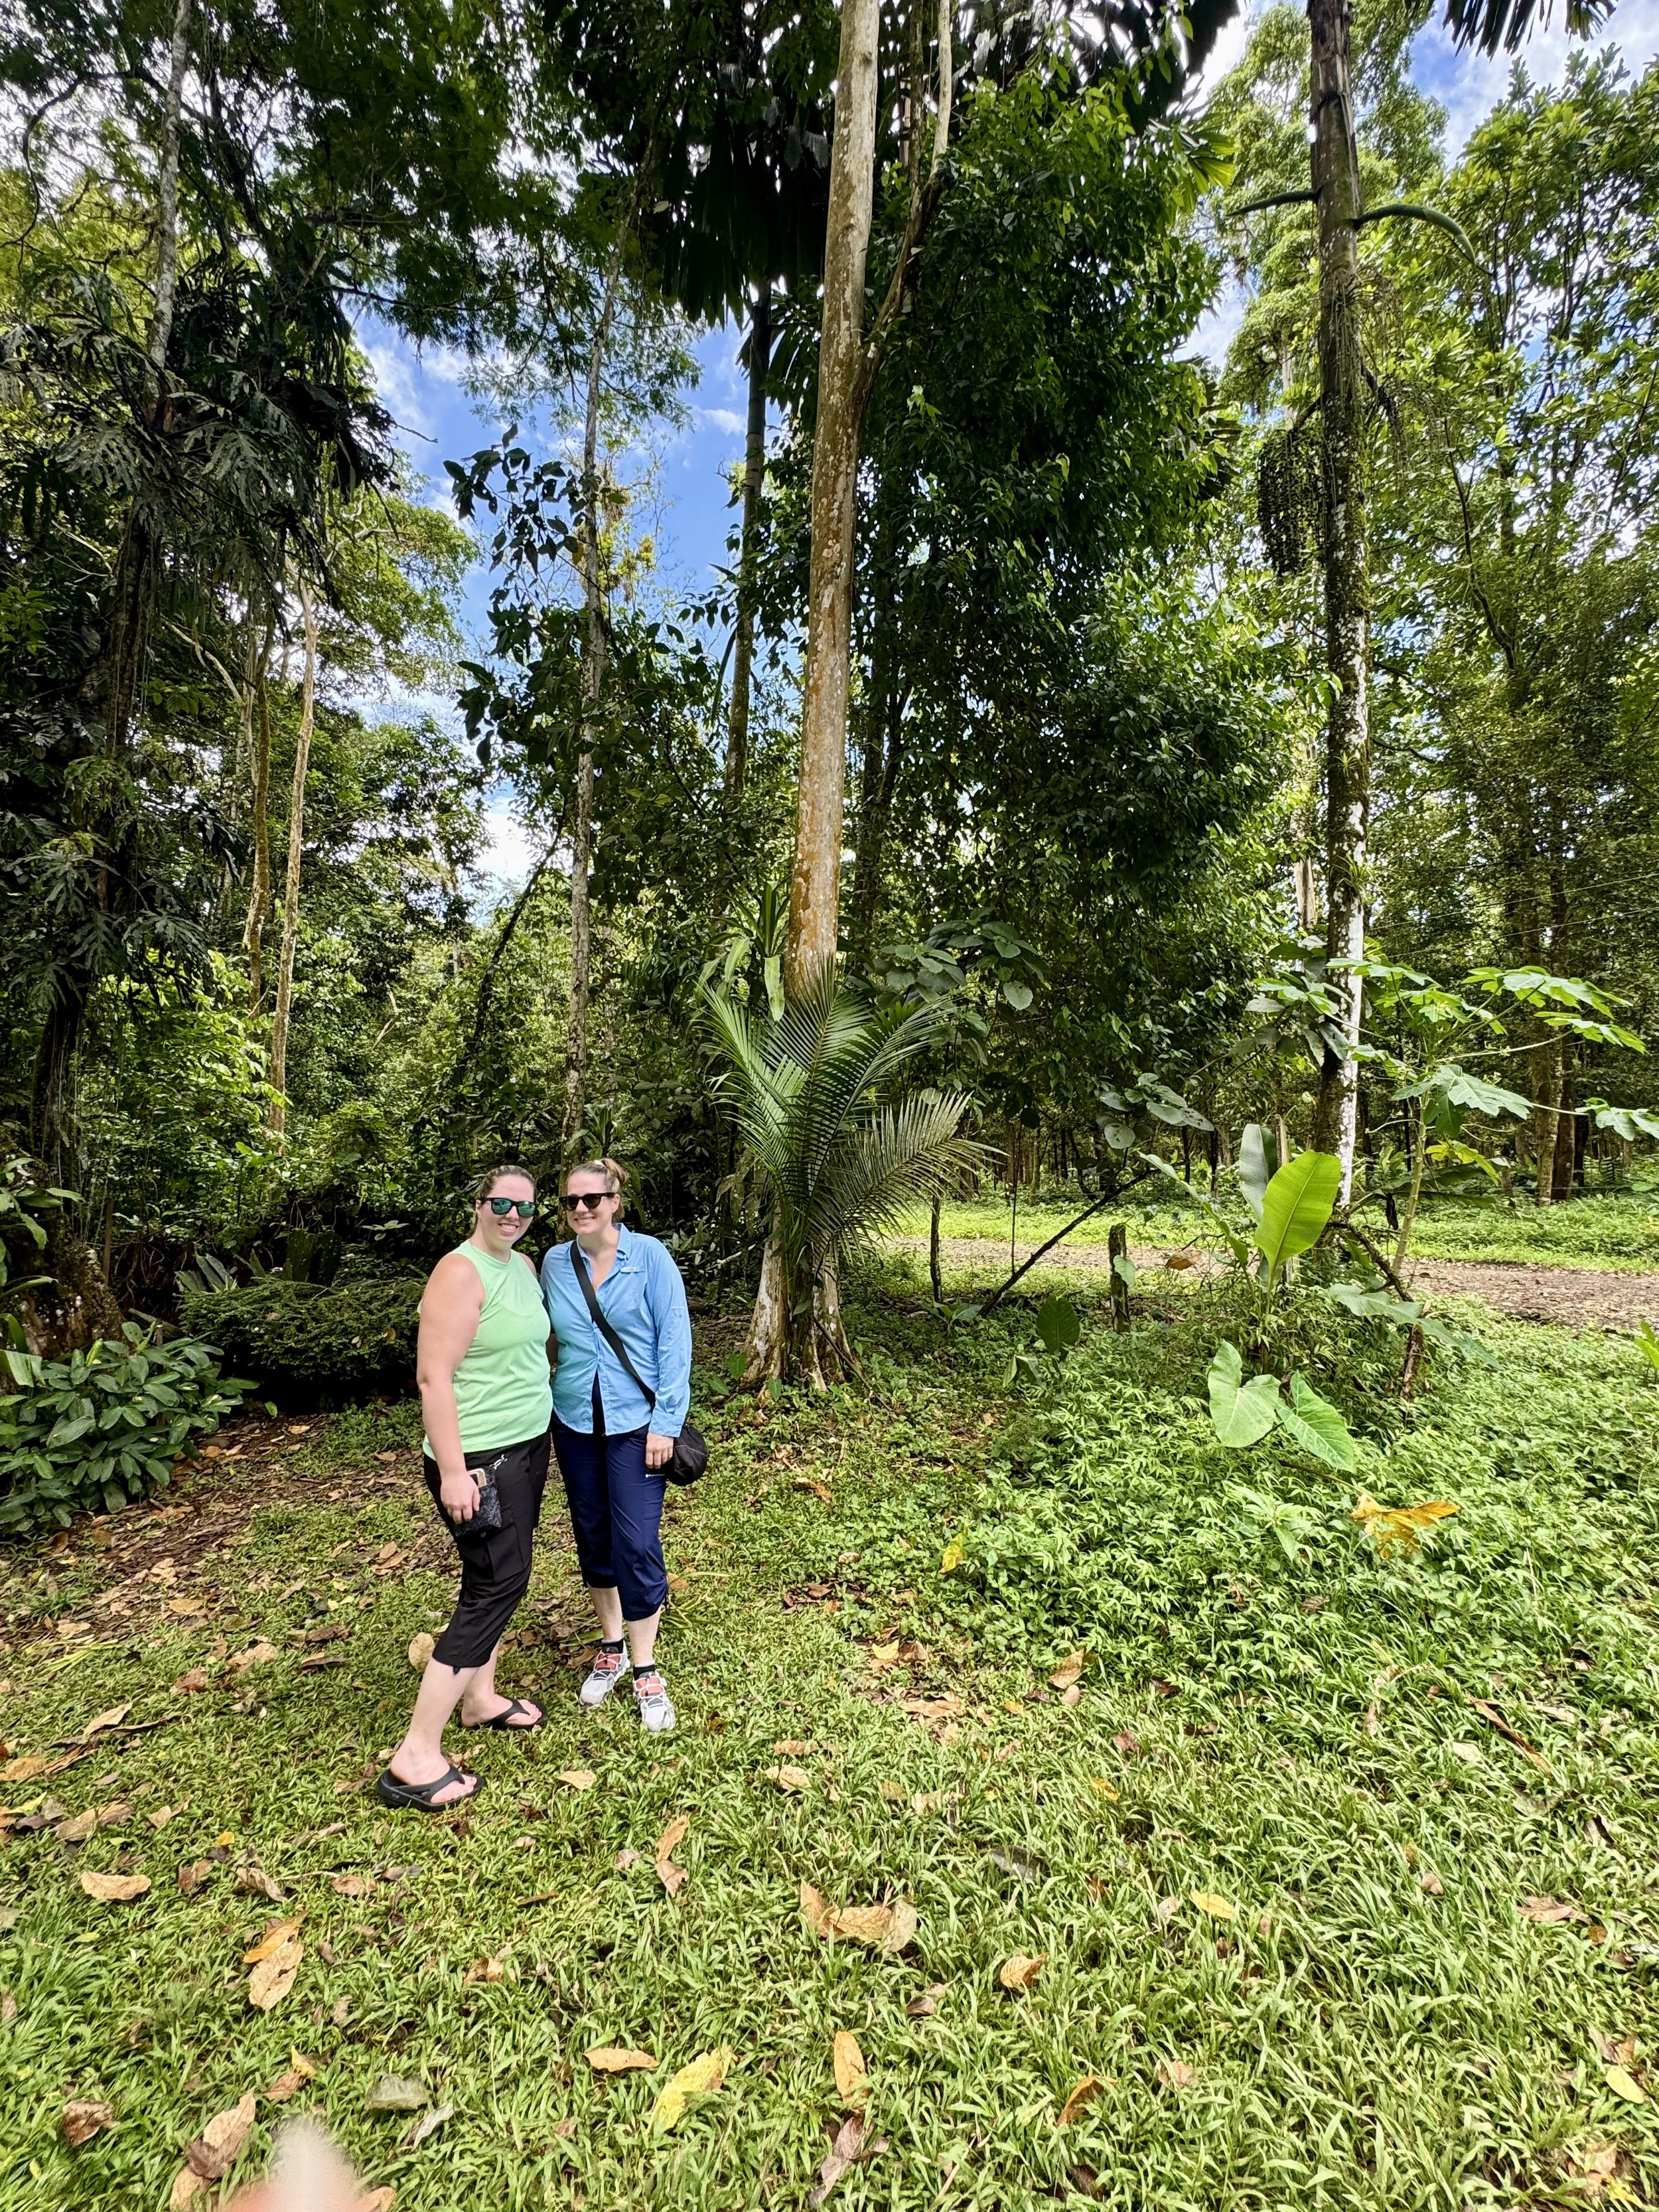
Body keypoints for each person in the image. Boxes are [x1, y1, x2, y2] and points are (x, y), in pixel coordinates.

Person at [378, 1165, 553, 1811]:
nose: (513, 1214)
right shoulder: (459, 1272)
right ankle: (416, 1756)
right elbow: (433, 1379)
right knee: (496, 1586)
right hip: (479, 1459)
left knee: (496, 1578)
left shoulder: (524, 1266)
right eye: (501, 1204)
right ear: (478, 1205)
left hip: (528, 1447)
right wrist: (454, 1471)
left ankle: (480, 1699)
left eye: (526, 1206)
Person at [540, 1156, 691, 1735]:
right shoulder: (556, 1263)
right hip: (575, 1417)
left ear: (615, 1201)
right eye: (571, 1201)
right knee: (593, 1532)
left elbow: (675, 1342)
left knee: (635, 1538)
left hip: (637, 1422)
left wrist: (667, 1422)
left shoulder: (649, 1256)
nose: (581, 1209)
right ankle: (611, 1645)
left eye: (593, 1199)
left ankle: (647, 1665)